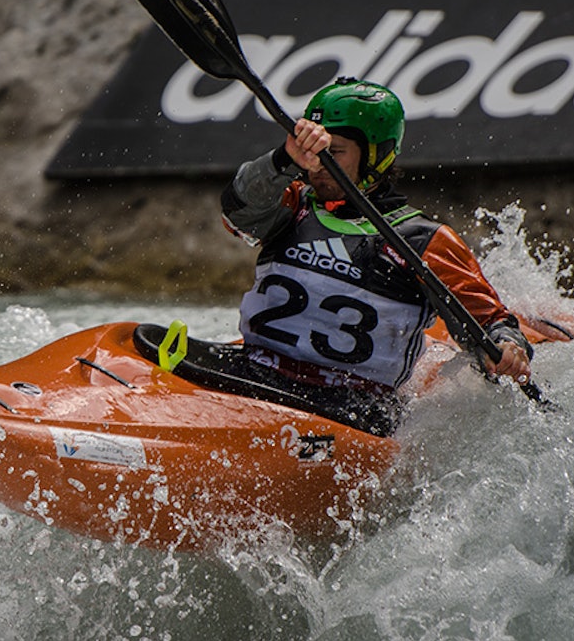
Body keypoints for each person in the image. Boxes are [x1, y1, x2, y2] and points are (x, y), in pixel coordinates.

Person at [219, 77, 532, 436]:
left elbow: (492, 322)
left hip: (350, 409)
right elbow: (236, 211)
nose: (317, 165)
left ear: (377, 156)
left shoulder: (422, 240)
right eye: (311, 154)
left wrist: (509, 346)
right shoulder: (291, 205)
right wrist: (282, 158)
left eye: (333, 153)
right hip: (255, 377)